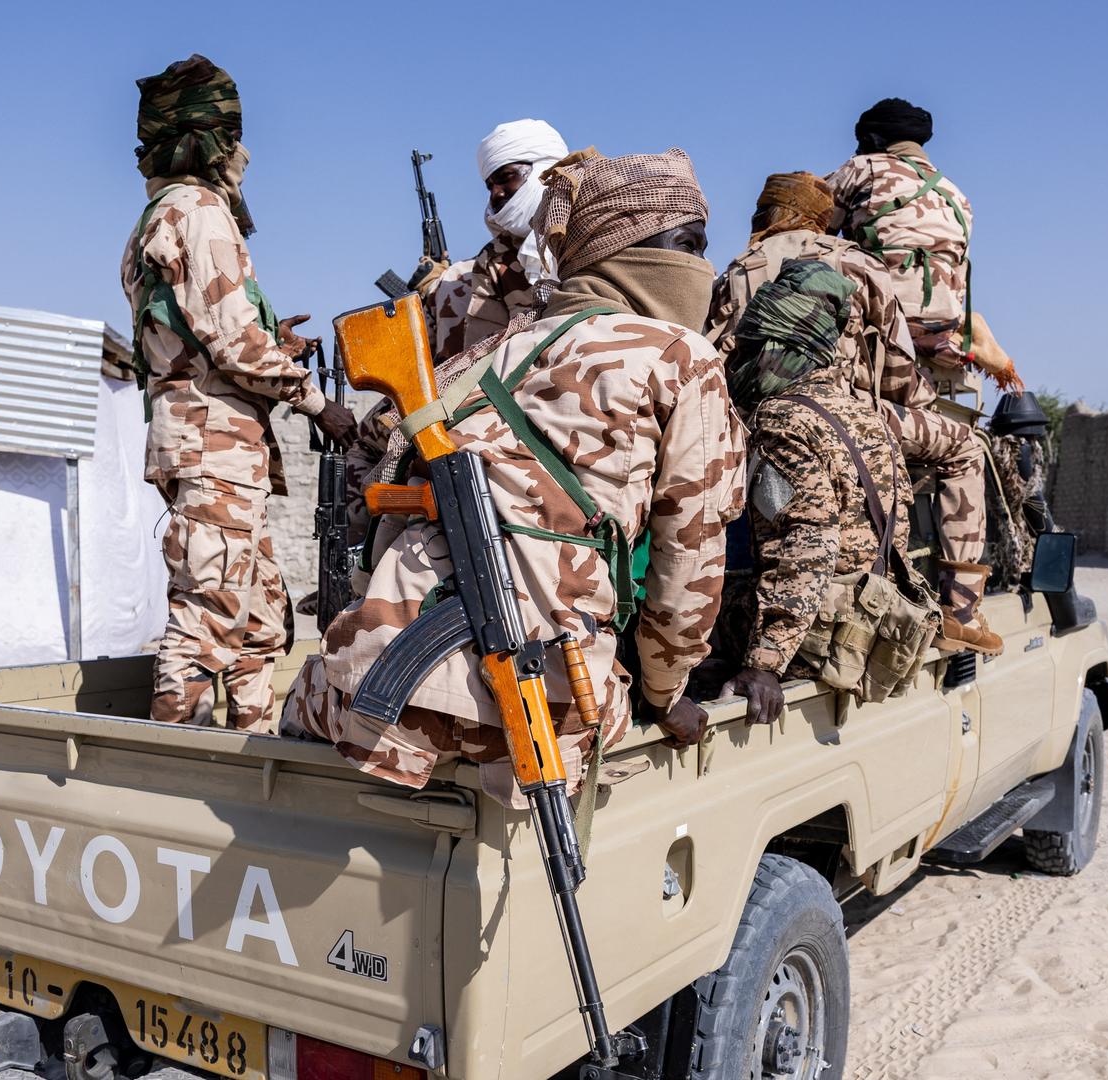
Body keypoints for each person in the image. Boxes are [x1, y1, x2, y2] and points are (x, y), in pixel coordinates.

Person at [283, 148, 747, 805]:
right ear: (631, 247)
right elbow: (691, 558)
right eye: (690, 245)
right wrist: (666, 693)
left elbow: (374, 478)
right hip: (537, 702)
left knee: (307, 708)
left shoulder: (487, 354)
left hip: (373, 686)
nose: (703, 266)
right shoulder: (679, 355)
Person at [120, 54, 356, 731]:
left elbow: (195, 334)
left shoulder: (155, 220)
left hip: (214, 446)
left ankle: (258, 769)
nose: (246, 156)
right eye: (236, 139)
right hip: (214, 450)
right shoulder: (199, 212)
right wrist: (320, 404)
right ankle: (178, 773)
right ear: (211, 143)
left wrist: (269, 338)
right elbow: (229, 345)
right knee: (206, 628)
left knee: (257, 628)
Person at [710, 172, 1003, 653]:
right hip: (843, 410)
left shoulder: (738, 268)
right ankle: (960, 609)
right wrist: (912, 405)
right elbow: (898, 368)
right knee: (966, 446)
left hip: (751, 419)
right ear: (822, 216)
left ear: (765, 213)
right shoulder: (856, 262)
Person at [718, 261, 914, 723]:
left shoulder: (783, 418)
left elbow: (806, 543)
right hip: (866, 631)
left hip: (812, 645)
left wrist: (763, 665)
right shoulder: (866, 414)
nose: (736, 364)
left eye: (748, 350)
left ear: (778, 350)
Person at [824, 98, 1021, 399]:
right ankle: (959, 335)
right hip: (942, 319)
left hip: (880, 315)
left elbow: (810, 228)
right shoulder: (956, 195)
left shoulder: (862, 168)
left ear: (872, 139)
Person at [426, 119, 568, 359]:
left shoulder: (598, 232)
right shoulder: (494, 260)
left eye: (506, 177)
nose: (496, 193)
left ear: (545, 170)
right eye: (490, 185)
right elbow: (480, 359)